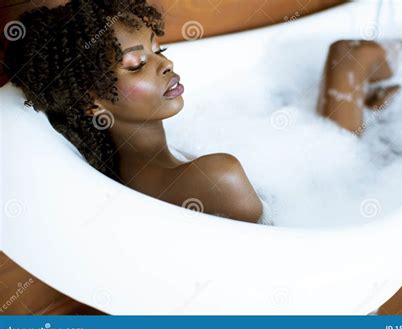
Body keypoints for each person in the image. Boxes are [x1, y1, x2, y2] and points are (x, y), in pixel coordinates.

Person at [5, 0, 263, 223]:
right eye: (137, 64)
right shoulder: (219, 176)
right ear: (92, 104)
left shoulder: (134, 177)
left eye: (159, 50)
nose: (166, 63)